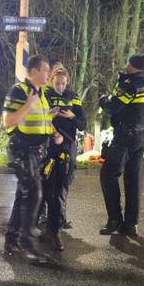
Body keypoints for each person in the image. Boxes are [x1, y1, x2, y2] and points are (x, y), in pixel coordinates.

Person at [2, 55, 55, 263]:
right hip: (22, 150)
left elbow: (41, 121)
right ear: (34, 71)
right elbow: (8, 122)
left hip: (36, 152)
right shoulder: (19, 91)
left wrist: (52, 131)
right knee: (33, 192)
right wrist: (28, 105)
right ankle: (26, 243)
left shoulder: (41, 94)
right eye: (45, 70)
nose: (48, 74)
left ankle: (12, 241)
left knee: (23, 195)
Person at [98, 54, 144, 238]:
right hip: (141, 136)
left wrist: (103, 100)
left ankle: (114, 219)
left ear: (132, 65)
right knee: (133, 180)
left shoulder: (129, 84)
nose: (126, 65)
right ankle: (131, 224)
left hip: (125, 137)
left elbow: (113, 107)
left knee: (108, 174)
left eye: (128, 63)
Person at [39, 64, 86, 251]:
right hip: (48, 146)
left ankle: (56, 229)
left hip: (67, 146)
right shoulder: (45, 96)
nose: (60, 87)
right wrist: (50, 115)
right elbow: (38, 119)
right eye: (57, 83)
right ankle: (46, 224)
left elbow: (82, 124)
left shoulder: (73, 97)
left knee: (61, 189)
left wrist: (72, 116)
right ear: (51, 81)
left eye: (63, 84)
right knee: (46, 187)